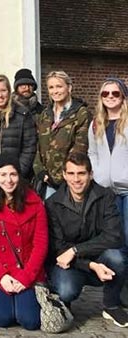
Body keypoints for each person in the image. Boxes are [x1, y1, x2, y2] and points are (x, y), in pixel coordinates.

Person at [45, 153, 128, 327]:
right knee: (66, 290)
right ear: (65, 175)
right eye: (72, 173)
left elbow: (114, 235)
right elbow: (58, 249)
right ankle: (64, 302)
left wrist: (76, 250)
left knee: (117, 257)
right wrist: (90, 265)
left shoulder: (105, 196)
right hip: (70, 264)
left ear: (91, 174)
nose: (76, 179)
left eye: (81, 173)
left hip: (97, 258)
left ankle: (111, 305)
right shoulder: (53, 203)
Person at [0, 154, 47, 330]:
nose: (8, 180)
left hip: (26, 269)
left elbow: (40, 244)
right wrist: (1, 276)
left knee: (30, 321)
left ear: (19, 176)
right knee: (3, 319)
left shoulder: (35, 203)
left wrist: (26, 277)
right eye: (3, 175)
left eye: (13, 174)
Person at [87, 78, 128, 306]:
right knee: (115, 243)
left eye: (115, 93)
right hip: (106, 191)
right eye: (106, 94)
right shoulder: (96, 124)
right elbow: (92, 152)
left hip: (127, 189)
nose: (110, 97)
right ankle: (117, 293)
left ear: (123, 96)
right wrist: (98, 173)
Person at [33, 71, 89, 199]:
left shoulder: (81, 113)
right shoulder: (45, 115)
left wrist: (61, 176)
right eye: (51, 87)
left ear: (69, 88)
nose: (55, 91)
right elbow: (38, 146)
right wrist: (40, 171)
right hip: (46, 181)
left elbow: (80, 148)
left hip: (70, 180)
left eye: (59, 86)